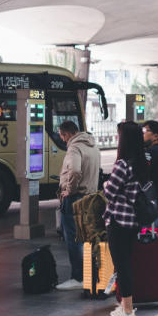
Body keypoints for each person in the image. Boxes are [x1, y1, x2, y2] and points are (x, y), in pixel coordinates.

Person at [102, 121, 150, 316]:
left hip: (118, 220)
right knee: (125, 264)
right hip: (132, 221)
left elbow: (109, 192)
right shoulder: (141, 162)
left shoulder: (122, 164)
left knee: (121, 266)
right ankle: (124, 307)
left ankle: (128, 312)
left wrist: (106, 183)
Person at [55, 121, 101, 291]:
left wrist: (69, 190)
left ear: (66, 134)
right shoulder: (92, 145)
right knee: (88, 238)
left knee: (74, 238)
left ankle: (78, 277)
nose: (62, 139)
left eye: (61, 135)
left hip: (76, 198)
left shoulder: (74, 147)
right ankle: (89, 275)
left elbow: (74, 171)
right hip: (91, 197)